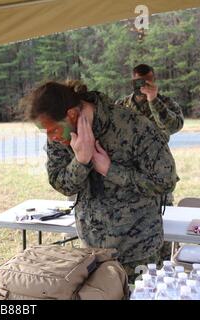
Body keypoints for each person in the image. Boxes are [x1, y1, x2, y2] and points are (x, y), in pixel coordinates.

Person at [24, 80, 179, 283]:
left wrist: (109, 169)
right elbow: (61, 184)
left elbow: (165, 181)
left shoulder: (132, 125)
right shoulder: (60, 136)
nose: (51, 137)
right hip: (92, 250)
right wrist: (81, 161)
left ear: (71, 114)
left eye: (52, 130)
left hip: (138, 249)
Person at [115, 64, 184, 259]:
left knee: (162, 234)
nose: (143, 84)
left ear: (154, 79)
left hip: (158, 175)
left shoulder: (165, 103)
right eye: (139, 81)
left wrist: (153, 100)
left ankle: (163, 272)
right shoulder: (121, 106)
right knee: (131, 236)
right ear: (132, 81)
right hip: (129, 179)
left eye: (148, 80)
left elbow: (173, 126)